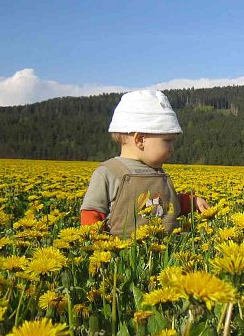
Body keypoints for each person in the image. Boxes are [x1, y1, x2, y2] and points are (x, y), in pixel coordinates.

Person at [80, 89, 209, 237]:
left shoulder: (158, 173)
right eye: (168, 141)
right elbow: (91, 212)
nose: (172, 148)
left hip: (168, 254)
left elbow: (166, 203)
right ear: (140, 140)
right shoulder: (108, 173)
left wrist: (191, 202)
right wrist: (99, 246)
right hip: (125, 254)